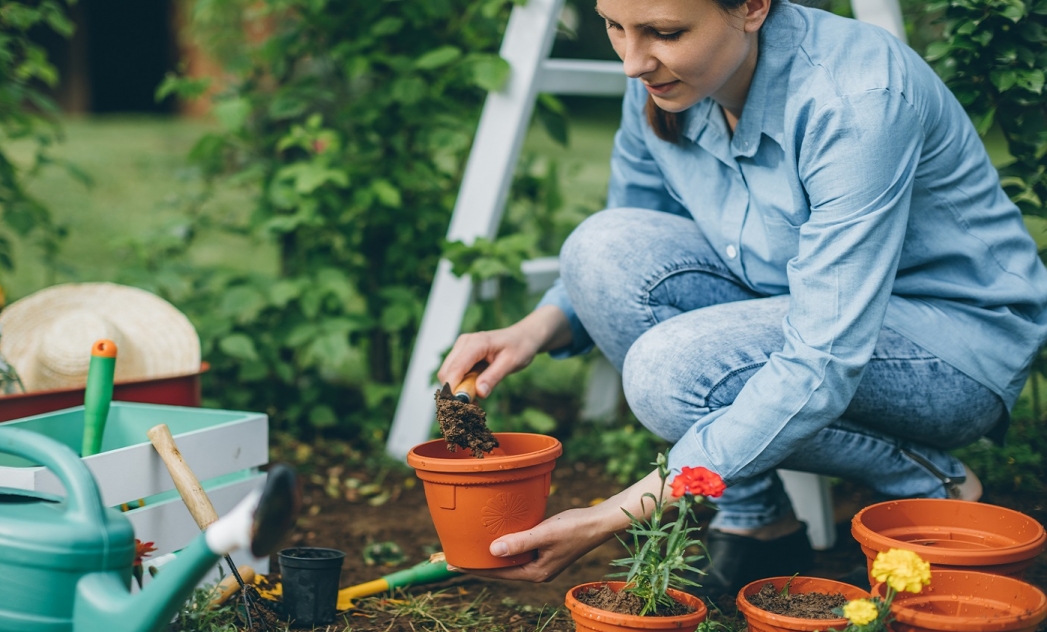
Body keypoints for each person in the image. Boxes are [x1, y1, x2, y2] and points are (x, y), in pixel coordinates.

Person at [436, 0, 1047, 595]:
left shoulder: (855, 99)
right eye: (613, 26)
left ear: (753, 7)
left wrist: (616, 514)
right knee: (600, 246)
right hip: (794, 300)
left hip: (950, 350)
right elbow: (635, 230)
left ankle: (925, 477)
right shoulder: (662, 81)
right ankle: (757, 523)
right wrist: (535, 330)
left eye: (665, 32)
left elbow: (824, 356)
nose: (632, 61)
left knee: (670, 373)